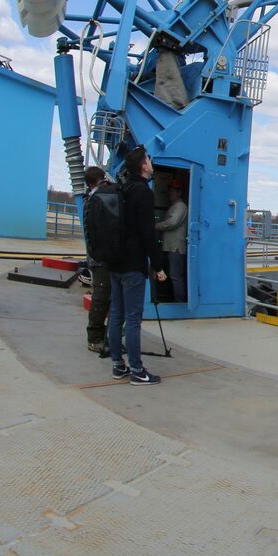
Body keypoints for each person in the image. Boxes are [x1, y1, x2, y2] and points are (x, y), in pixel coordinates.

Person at [109, 147, 167, 385]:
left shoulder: (121, 189)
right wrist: (158, 264)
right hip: (133, 263)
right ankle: (136, 370)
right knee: (133, 319)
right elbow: (147, 233)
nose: (151, 162)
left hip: (115, 261)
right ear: (143, 166)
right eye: (149, 160)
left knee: (116, 315)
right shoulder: (143, 192)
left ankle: (117, 366)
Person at [82, 166, 116, 354]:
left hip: (99, 257)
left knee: (105, 297)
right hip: (100, 259)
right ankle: (94, 338)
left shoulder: (93, 199)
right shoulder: (95, 200)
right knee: (101, 297)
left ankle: (101, 335)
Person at [154, 179, 188, 302]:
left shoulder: (180, 206)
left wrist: (157, 226)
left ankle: (179, 301)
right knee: (172, 275)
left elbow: (173, 222)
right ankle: (173, 298)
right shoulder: (174, 206)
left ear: (179, 193)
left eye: (173, 191)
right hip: (170, 247)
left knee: (175, 276)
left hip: (176, 248)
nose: (170, 193)